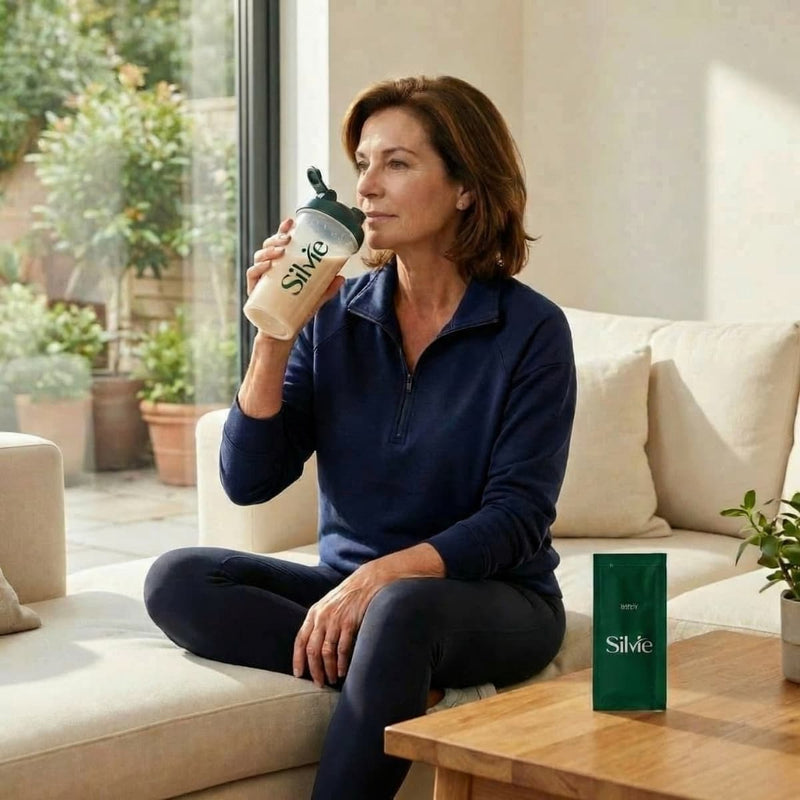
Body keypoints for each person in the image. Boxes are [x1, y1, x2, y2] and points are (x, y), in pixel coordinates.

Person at [144, 75, 576, 800]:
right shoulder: (337, 315)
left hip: (492, 600)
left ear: (466, 186)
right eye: (363, 165)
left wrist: (382, 576)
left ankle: (391, 656)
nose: (367, 188)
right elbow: (250, 482)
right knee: (177, 579)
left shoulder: (529, 330)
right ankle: (391, 673)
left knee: (401, 609)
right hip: (351, 592)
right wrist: (276, 333)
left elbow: (519, 517)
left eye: (397, 164)